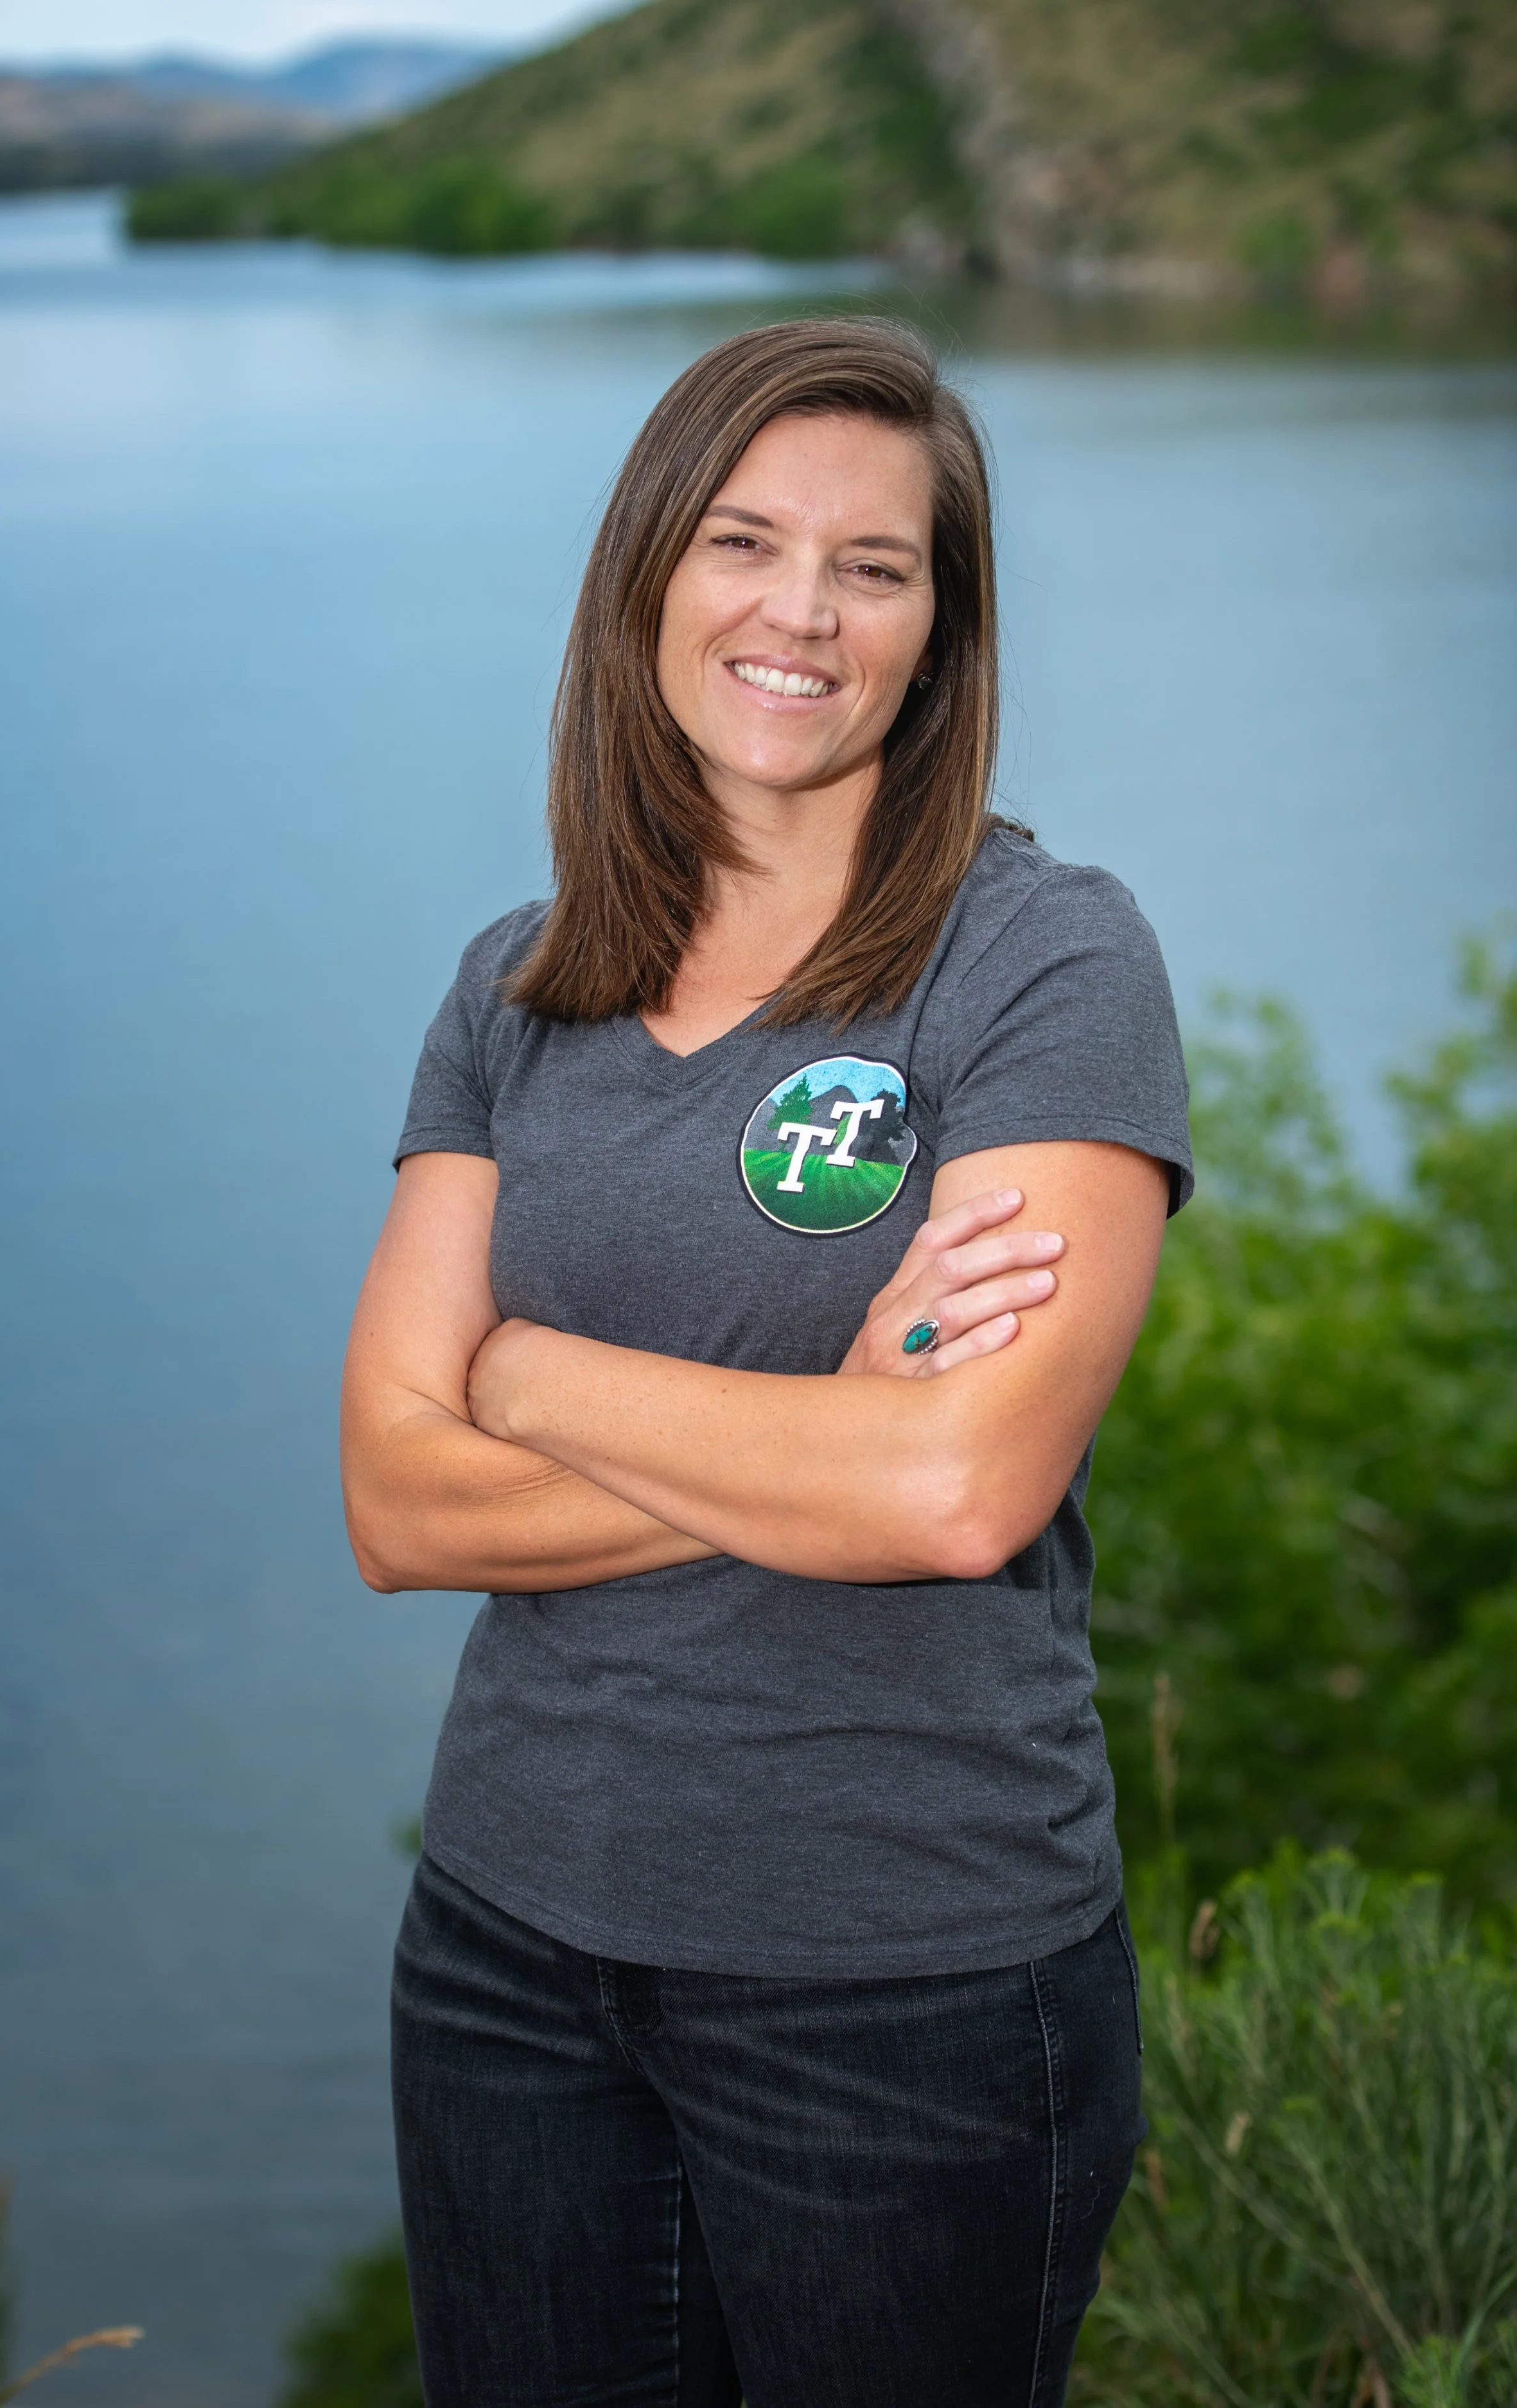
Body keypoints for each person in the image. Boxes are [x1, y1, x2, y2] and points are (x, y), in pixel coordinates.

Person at [340, 317, 1193, 2408]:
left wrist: (521, 1372)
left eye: (873, 566)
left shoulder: (1042, 963)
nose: (797, 610)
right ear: (649, 575)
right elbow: (389, 1500)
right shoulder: (517, 988)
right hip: (510, 1953)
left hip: (903, 1988)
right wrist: (822, 1421)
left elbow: (952, 1493)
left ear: (937, 628)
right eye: (743, 540)